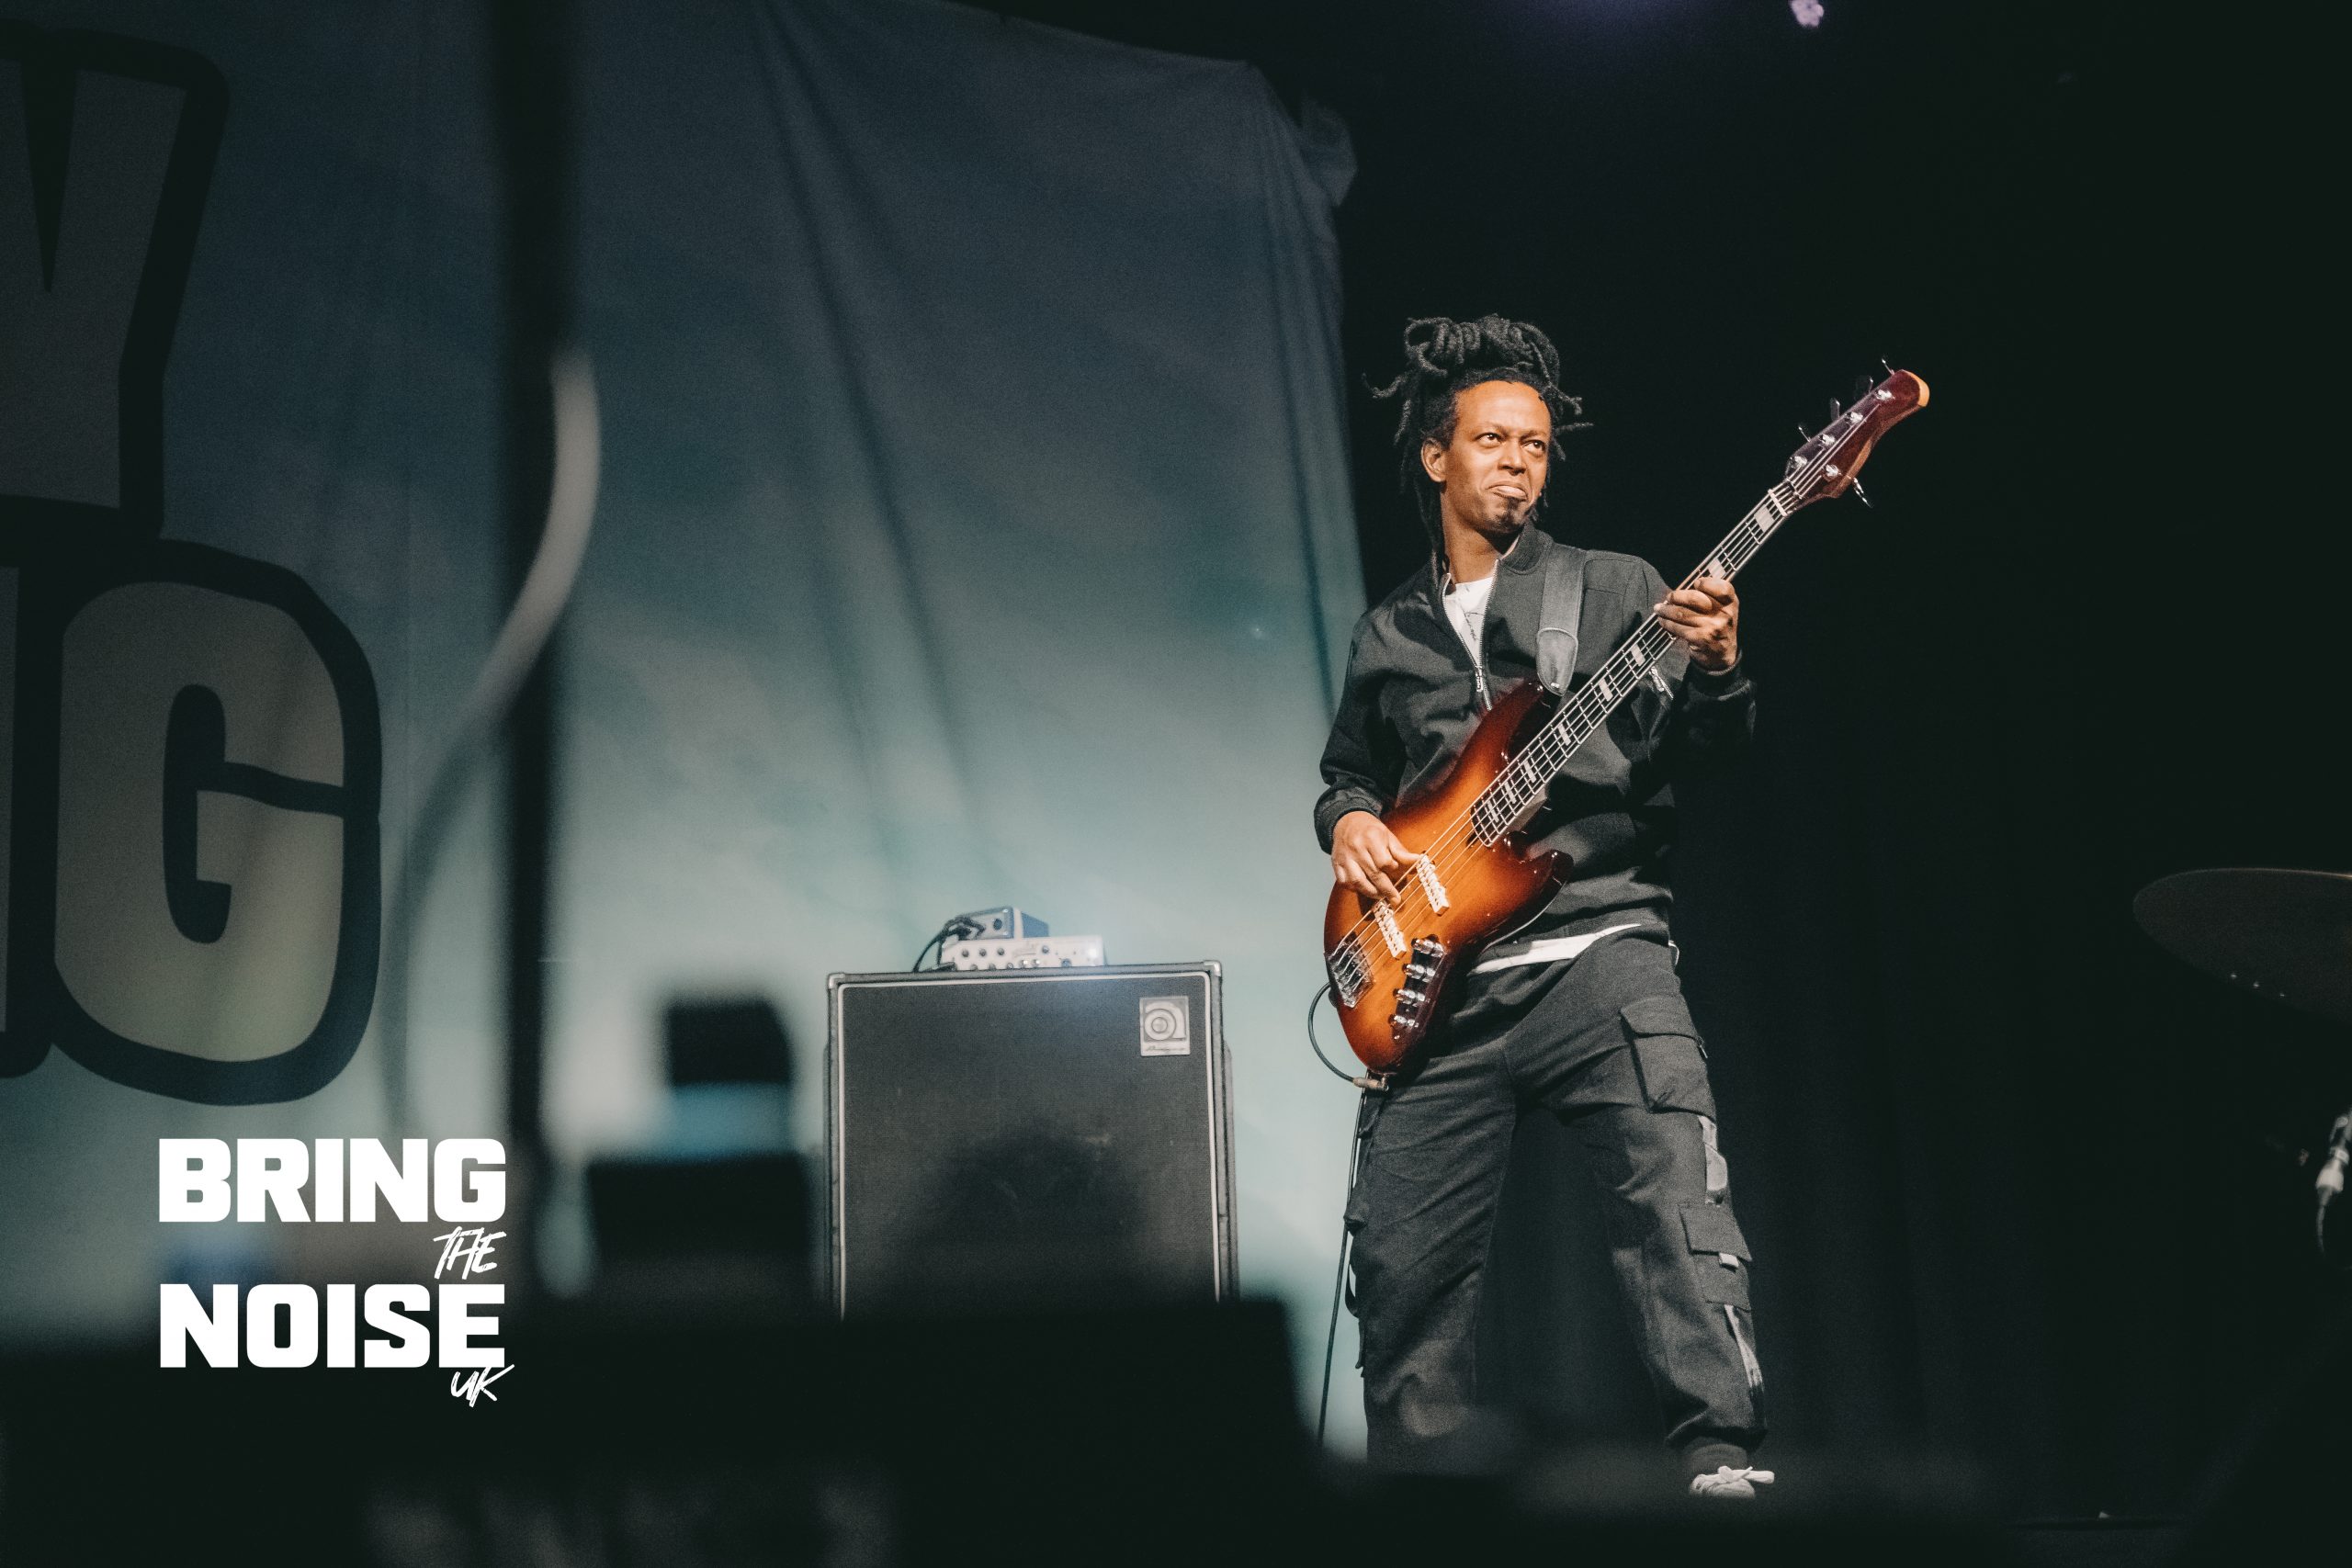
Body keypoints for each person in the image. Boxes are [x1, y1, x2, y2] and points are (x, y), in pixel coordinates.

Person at [1315, 314, 1771, 1498]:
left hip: (1600, 949)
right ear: (1436, 456)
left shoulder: (1615, 588)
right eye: (1492, 440)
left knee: (1676, 1202)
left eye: (1534, 444)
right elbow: (1350, 776)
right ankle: (1418, 1504)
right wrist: (1347, 823)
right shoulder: (1389, 632)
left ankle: (1719, 1464)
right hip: (1439, 993)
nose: (1518, 461)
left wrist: (1720, 669)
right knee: (1401, 1269)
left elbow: (1708, 752)